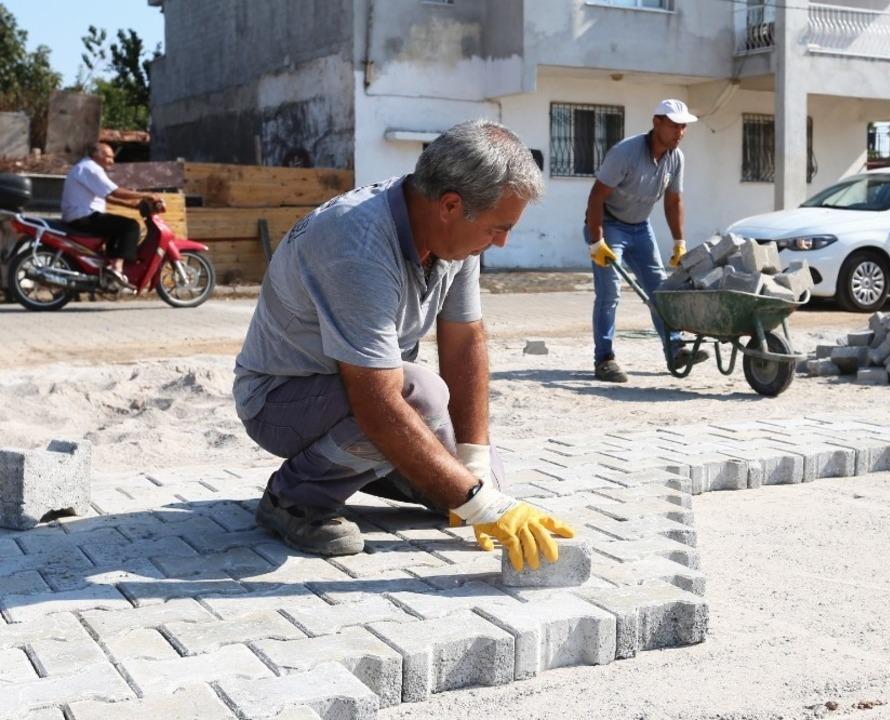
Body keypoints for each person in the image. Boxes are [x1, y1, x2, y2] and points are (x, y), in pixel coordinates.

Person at [233, 120, 574, 572]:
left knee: (479, 475)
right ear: (451, 205)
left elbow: (464, 340)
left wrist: (472, 470)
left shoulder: (452, 236)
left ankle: (427, 477)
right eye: (498, 228)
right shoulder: (356, 243)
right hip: (279, 402)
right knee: (423, 395)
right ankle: (294, 499)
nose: (503, 242)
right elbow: (377, 401)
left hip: (361, 389)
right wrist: (481, 506)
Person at [584, 98, 709, 383]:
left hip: (640, 227)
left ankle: (675, 348)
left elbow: (673, 200)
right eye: (675, 126)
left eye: (684, 127)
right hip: (609, 224)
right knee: (610, 293)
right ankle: (604, 359)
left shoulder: (676, 158)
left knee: (660, 290)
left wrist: (679, 241)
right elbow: (596, 197)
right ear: (657, 123)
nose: (680, 132)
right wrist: (596, 241)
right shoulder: (625, 153)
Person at [61, 143, 160, 289]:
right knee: (130, 226)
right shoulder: (91, 168)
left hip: (82, 216)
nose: (111, 161)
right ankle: (116, 268)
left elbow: (107, 196)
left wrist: (133, 205)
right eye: (108, 157)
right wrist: (146, 194)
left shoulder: (86, 168)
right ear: (96, 155)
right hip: (83, 217)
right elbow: (115, 192)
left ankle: (111, 267)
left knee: (116, 227)